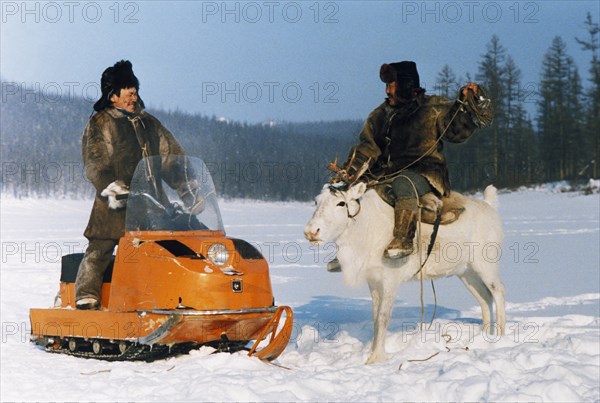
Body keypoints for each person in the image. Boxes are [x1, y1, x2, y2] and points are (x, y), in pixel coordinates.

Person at [74, 60, 202, 309]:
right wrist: (111, 185)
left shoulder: (149, 123)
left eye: (135, 91)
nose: (133, 96)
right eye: (128, 91)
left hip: (152, 202)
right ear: (112, 96)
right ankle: (85, 295)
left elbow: (170, 157)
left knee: (169, 245)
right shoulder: (101, 123)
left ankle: (174, 295)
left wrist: (188, 189)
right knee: (101, 246)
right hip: (115, 202)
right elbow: (95, 159)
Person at [334, 61, 492, 261]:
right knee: (357, 195)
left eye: (391, 84)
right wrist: (350, 171)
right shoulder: (379, 116)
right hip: (386, 174)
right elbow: (368, 147)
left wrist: (468, 103)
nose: (387, 90)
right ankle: (350, 250)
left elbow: (455, 131)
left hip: (425, 173)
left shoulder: (432, 107)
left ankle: (404, 240)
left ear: (404, 85)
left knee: (404, 184)